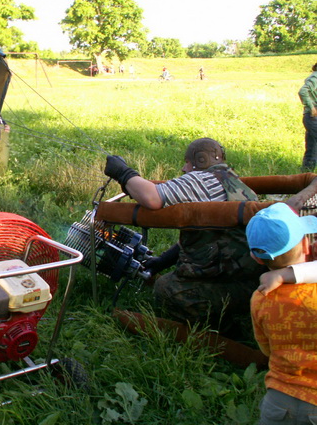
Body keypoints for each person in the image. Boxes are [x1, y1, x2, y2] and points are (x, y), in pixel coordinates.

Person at [104, 138, 264, 332]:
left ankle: (224, 327)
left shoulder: (201, 180)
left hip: (231, 283)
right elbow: (211, 236)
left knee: (166, 289)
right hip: (251, 278)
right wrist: (164, 260)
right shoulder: (233, 181)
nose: (183, 168)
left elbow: (152, 197)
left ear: (200, 160)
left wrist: (123, 172)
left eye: (187, 162)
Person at [246, 203, 317, 424]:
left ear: (256, 258)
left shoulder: (260, 298)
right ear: (307, 244)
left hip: (278, 400)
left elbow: (266, 347)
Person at [299, 62, 317, 172]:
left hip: (312, 117)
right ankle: (308, 172)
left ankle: (307, 172)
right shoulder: (315, 77)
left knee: (312, 144)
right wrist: (312, 107)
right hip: (313, 117)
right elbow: (303, 91)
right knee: (314, 146)